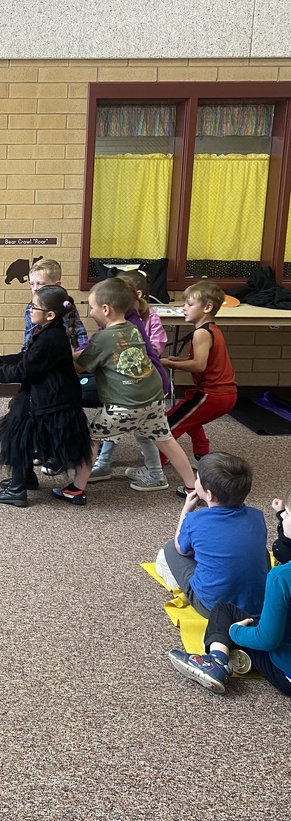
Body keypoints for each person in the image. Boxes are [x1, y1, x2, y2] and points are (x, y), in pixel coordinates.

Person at [53, 277, 196, 506]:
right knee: (166, 441)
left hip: (123, 405)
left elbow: (79, 366)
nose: (91, 312)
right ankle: (192, 487)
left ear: (105, 309)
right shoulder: (133, 328)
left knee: (92, 440)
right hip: (153, 401)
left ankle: (76, 489)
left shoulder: (103, 337)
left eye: (92, 307)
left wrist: (55, 358)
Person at [168, 487, 291, 697]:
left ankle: (215, 662)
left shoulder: (281, 577)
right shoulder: (256, 517)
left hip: (284, 673)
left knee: (224, 611)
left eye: (286, 514)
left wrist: (235, 631)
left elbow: (267, 639)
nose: (283, 517)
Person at [0, 285, 92, 508]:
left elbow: (27, 370)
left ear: (50, 315)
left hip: (49, 401)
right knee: (18, 434)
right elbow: (27, 357)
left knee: (17, 438)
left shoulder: (51, 338)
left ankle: (17, 490)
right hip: (43, 395)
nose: (30, 310)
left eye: (34, 307)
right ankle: (25, 478)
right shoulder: (47, 332)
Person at [155, 452, 267, 618]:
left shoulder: (195, 520)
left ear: (209, 494)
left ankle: (178, 580)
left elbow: (182, 549)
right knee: (259, 550)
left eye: (198, 479)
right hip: (259, 603)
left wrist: (186, 510)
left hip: (213, 608)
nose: (195, 482)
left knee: (171, 547)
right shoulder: (257, 516)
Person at [89, 271, 171, 492]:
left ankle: (155, 474)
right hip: (132, 386)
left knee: (142, 434)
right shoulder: (123, 319)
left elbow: (151, 350)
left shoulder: (132, 322)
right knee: (119, 429)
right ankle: (105, 465)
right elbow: (98, 343)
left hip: (141, 387)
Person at [160, 280, 237, 460]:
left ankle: (155, 470)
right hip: (225, 394)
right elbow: (205, 362)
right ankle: (201, 457)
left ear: (207, 307)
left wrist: (168, 363)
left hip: (213, 394)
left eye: (189, 304)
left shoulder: (201, 333)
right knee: (191, 419)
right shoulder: (212, 330)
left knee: (165, 427)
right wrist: (180, 360)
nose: (183, 308)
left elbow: (199, 365)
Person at [23, 258, 88, 350]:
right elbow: (28, 337)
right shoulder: (31, 308)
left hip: (59, 353)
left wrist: (81, 354)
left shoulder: (66, 305)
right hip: (37, 353)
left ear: (56, 285)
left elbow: (79, 333)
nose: (35, 288)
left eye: (40, 283)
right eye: (32, 284)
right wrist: (25, 355)